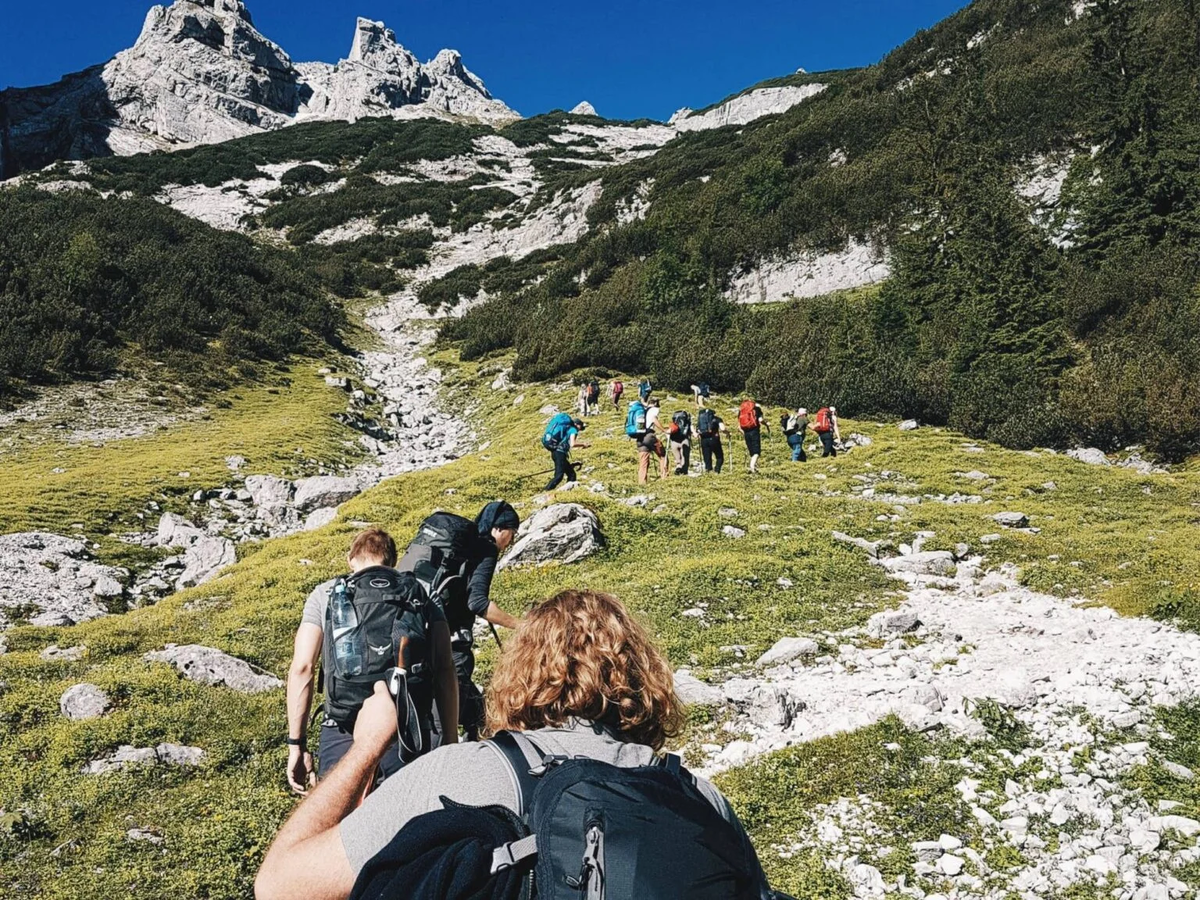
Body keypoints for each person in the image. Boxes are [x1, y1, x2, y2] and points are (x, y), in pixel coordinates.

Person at [255, 590, 776, 900]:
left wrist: (367, 747)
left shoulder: (466, 772)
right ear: (644, 677)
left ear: (520, 672)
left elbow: (278, 885)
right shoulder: (698, 797)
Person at [286, 528, 458, 793]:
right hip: (405, 726)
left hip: (343, 725)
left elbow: (303, 668)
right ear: (392, 562)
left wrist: (296, 744)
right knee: (405, 821)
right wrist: (449, 737)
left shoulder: (326, 593)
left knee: (338, 819)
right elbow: (445, 667)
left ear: (351, 559)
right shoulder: (421, 591)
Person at [398, 502, 523, 742]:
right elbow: (478, 603)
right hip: (453, 647)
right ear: (499, 529)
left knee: (475, 711)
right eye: (512, 532)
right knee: (446, 717)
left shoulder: (457, 552)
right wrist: (521, 625)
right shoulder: (486, 549)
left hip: (418, 632)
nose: (511, 540)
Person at [541, 414, 589, 491]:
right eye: (580, 427)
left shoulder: (566, 428)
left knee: (571, 474)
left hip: (556, 452)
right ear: (576, 424)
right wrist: (584, 444)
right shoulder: (573, 430)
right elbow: (572, 444)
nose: (580, 429)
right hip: (560, 453)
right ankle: (546, 491)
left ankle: (569, 491)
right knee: (559, 476)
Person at [737, 398, 769, 474]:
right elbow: (760, 420)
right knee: (756, 451)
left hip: (746, 432)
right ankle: (752, 467)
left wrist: (744, 433)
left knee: (751, 451)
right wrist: (766, 424)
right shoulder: (756, 409)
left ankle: (754, 466)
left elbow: (738, 426)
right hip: (754, 431)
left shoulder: (741, 411)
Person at [696, 406, 727, 474]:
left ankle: (708, 470)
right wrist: (728, 433)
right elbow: (723, 429)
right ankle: (717, 470)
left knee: (707, 456)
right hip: (714, 439)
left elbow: (697, 431)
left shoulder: (700, 421)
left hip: (704, 439)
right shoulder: (716, 419)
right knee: (719, 456)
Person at [669, 409, 692, 475]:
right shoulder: (688, 423)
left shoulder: (673, 423)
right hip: (684, 441)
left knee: (678, 459)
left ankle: (678, 467)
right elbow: (692, 431)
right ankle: (684, 472)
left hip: (674, 442)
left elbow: (670, 430)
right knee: (685, 458)